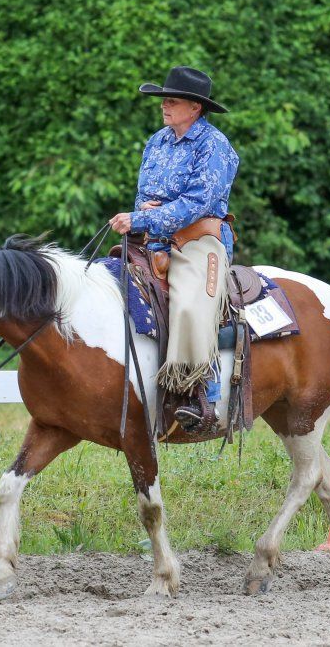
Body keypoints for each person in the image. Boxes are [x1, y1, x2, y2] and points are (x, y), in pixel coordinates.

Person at [109, 66, 239, 431]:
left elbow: (199, 201)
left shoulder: (214, 146)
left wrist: (150, 216)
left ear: (195, 108)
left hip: (199, 239)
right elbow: (144, 197)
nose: (164, 105)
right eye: (164, 99)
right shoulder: (157, 141)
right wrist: (141, 214)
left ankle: (199, 392)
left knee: (188, 302)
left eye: (172, 100)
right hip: (153, 238)